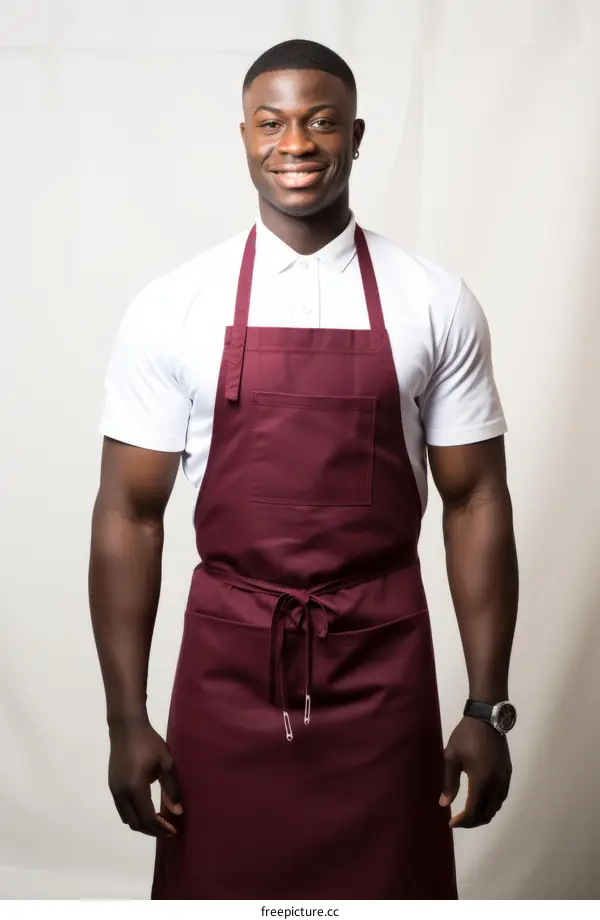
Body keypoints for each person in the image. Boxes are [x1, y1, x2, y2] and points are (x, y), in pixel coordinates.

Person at [89, 38, 518, 900]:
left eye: (322, 123)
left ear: (357, 136)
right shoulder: (175, 305)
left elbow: (475, 500)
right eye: (273, 123)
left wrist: (485, 706)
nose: (297, 144)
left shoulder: (433, 299)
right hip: (228, 665)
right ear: (243, 135)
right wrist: (125, 718)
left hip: (382, 667)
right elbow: (128, 518)